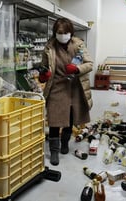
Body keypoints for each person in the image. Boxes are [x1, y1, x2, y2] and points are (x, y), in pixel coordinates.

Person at [39, 17, 93, 166]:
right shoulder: (49, 47)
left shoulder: (79, 45)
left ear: (71, 32)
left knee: (70, 118)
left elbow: (89, 64)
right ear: (55, 33)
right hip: (56, 86)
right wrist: (43, 75)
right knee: (55, 119)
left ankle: (65, 144)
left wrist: (77, 69)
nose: (62, 35)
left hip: (75, 86)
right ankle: (54, 150)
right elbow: (43, 67)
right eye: (59, 32)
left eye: (65, 32)